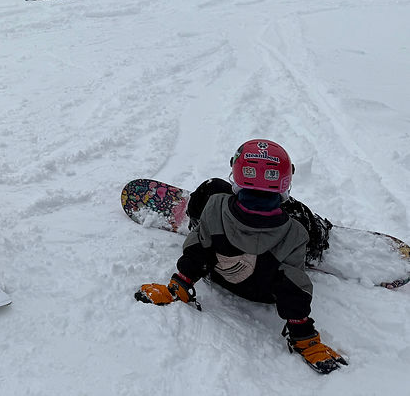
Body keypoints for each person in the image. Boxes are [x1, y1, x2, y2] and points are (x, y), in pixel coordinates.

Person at [134, 139, 347, 374]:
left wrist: (178, 287)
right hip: (264, 291)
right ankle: (320, 231)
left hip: (216, 271)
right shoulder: (295, 233)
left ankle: (198, 217)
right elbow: (293, 287)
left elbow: (197, 250)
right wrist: (305, 338)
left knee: (212, 186)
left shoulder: (215, 206)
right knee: (300, 215)